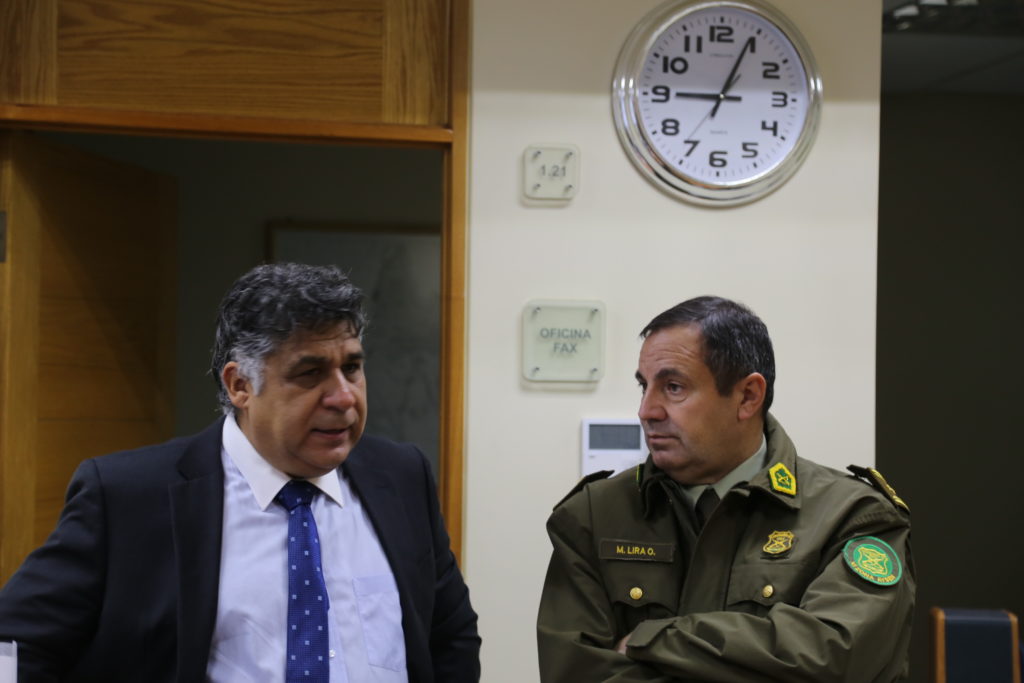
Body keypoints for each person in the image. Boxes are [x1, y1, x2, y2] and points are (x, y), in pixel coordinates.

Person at [0, 262, 480, 682]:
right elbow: (15, 645)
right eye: (310, 373)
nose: (343, 397)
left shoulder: (401, 477)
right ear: (240, 384)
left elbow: (449, 636)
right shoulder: (128, 497)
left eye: (351, 368)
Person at [537, 296, 915, 682]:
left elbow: (835, 659)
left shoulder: (852, 517)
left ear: (748, 396)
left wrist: (652, 640)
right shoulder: (593, 517)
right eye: (644, 386)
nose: (647, 410)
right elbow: (575, 672)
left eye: (673, 387)